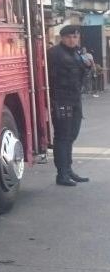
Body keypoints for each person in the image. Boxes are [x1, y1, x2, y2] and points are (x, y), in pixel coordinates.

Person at [47, 25, 90, 186]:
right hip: (61, 99)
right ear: (62, 38)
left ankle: (69, 169)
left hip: (75, 99)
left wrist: (87, 65)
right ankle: (62, 174)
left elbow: (80, 74)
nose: (72, 40)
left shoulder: (77, 53)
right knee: (63, 137)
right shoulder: (54, 53)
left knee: (72, 135)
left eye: (75, 37)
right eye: (69, 37)